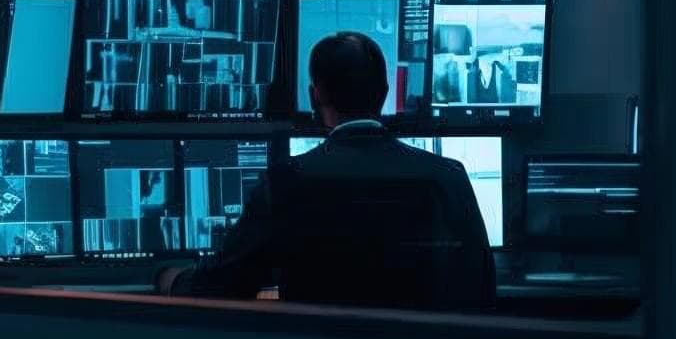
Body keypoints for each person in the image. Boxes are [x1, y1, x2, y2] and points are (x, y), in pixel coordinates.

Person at [161, 31, 495, 310]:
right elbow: (482, 287)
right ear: (385, 92)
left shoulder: (288, 181)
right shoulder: (448, 176)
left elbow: (224, 286)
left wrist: (170, 278)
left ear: (314, 96)